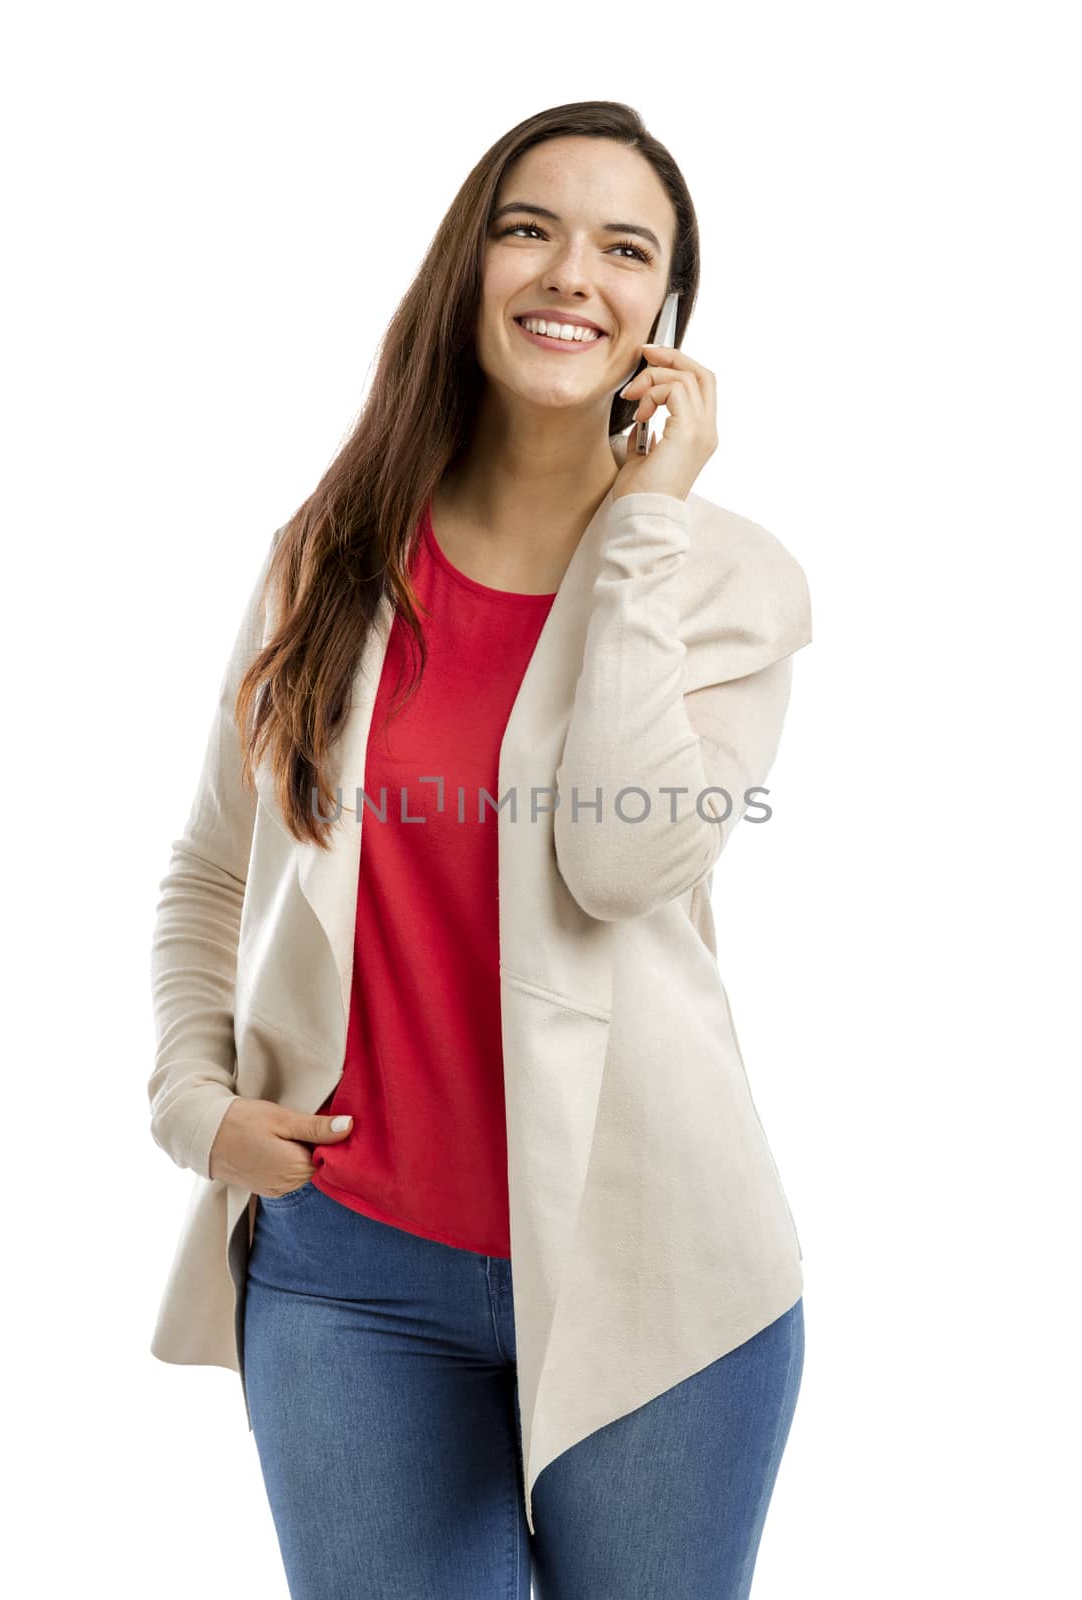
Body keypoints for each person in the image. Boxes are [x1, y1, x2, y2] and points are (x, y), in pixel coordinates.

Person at [149, 99, 811, 1599]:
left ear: (664, 315)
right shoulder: (328, 560)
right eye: (531, 227)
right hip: (352, 1280)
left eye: (625, 248)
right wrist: (195, 1103)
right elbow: (208, 865)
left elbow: (618, 862)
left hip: (660, 1278)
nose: (572, 271)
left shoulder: (729, 585)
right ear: (469, 266)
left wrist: (640, 530)